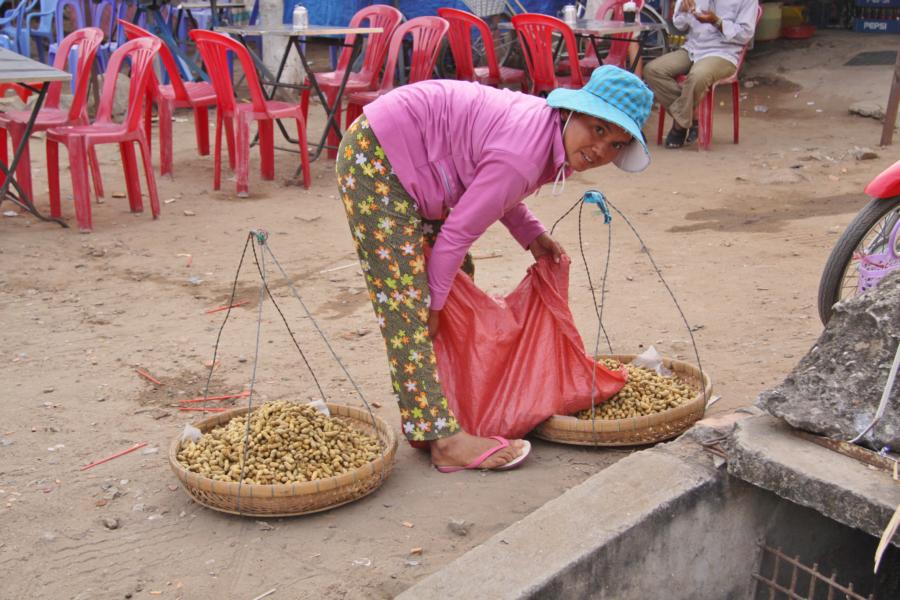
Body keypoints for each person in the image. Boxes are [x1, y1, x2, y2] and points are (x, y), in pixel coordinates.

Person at [335, 66, 653, 472]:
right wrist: (433, 302)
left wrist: (533, 236)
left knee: (453, 278)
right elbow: (458, 231)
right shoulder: (525, 151)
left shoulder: (543, 133)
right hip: (378, 158)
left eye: (615, 144)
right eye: (597, 129)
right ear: (572, 114)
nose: (600, 148)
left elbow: (497, 187)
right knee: (410, 305)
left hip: (416, 160)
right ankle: (443, 439)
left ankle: (451, 405)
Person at [643, 0, 758, 149]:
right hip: (692, 48)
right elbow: (679, 25)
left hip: (724, 53)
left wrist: (716, 22)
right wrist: (683, 9)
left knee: (697, 76)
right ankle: (693, 117)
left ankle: (679, 125)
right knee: (653, 70)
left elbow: (745, 34)